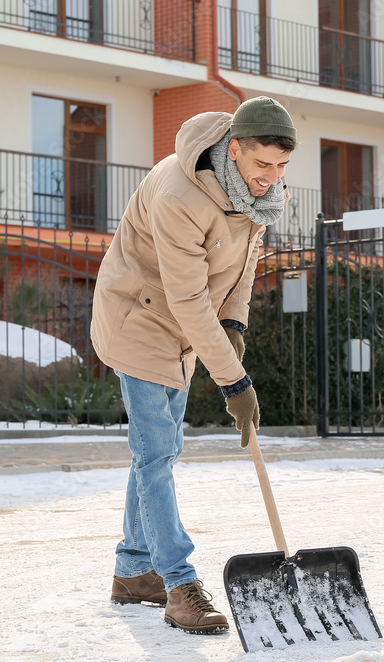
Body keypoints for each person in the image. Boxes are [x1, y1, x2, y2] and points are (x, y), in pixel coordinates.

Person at [90, 96, 298, 634]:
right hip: (138, 316)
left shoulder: (261, 192)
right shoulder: (180, 194)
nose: (271, 178)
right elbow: (186, 299)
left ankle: (134, 570)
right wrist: (234, 380)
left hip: (183, 327)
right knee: (156, 452)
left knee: (161, 451)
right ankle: (178, 583)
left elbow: (243, 271)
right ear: (234, 150)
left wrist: (234, 327)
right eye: (261, 166)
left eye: (281, 167)